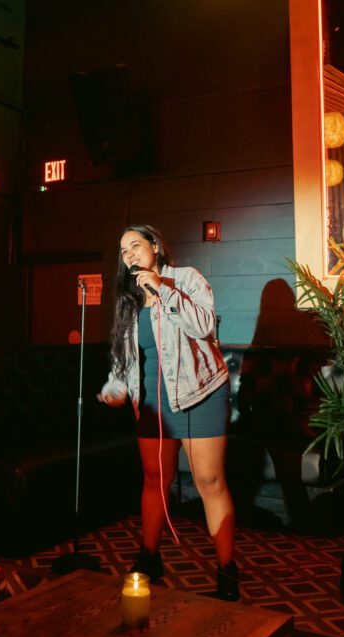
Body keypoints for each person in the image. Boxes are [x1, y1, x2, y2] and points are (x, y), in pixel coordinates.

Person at [97, 224, 239, 601]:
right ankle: (150, 556)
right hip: (152, 399)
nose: (129, 254)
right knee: (154, 479)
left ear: (156, 247)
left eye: (135, 245)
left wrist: (162, 288)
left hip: (200, 393)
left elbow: (203, 325)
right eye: (123, 250)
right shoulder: (129, 300)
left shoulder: (186, 279)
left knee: (209, 481)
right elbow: (125, 358)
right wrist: (115, 387)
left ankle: (227, 570)